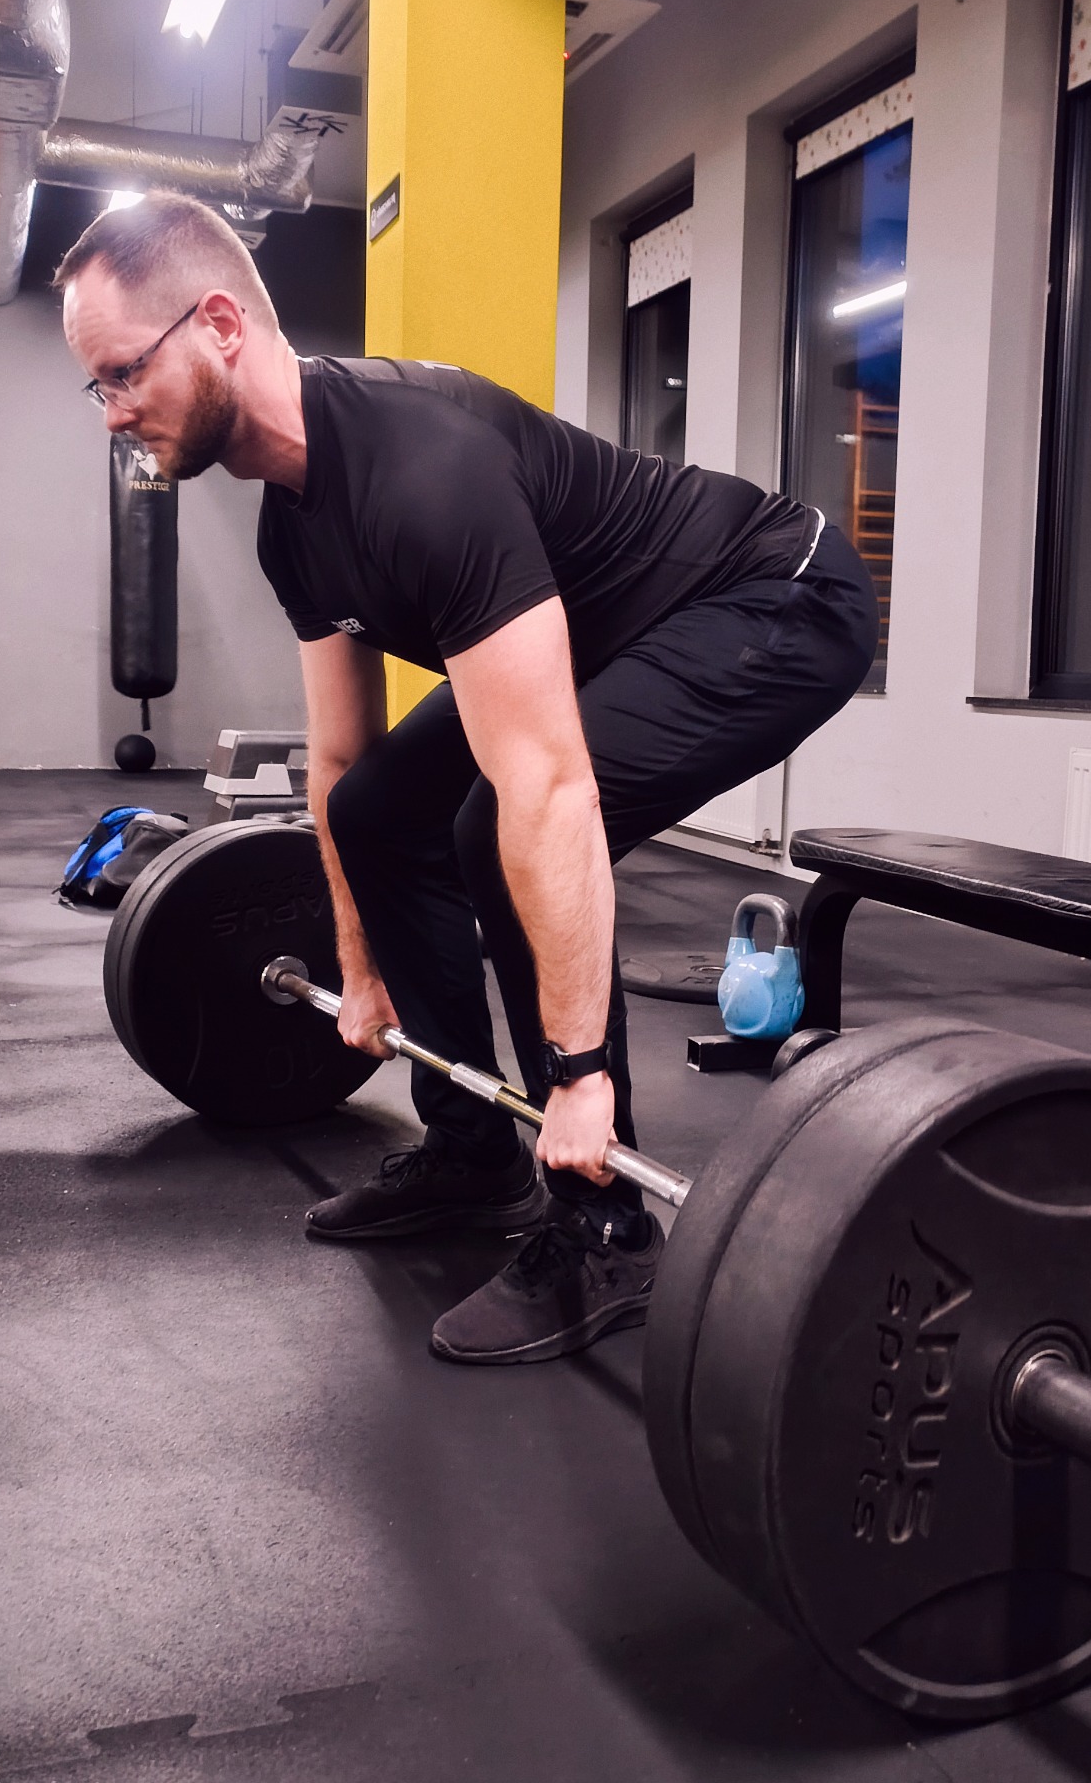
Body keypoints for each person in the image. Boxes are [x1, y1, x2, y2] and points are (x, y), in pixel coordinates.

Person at [57, 192, 879, 1366]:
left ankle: (604, 1223)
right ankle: (471, 1152)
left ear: (220, 325)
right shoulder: (292, 526)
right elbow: (341, 767)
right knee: (385, 810)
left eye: (122, 374)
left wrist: (581, 1076)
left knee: (503, 819)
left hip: (772, 598)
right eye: (99, 386)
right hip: (604, 633)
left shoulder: (418, 465)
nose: (113, 414)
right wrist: (360, 965)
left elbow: (546, 790)